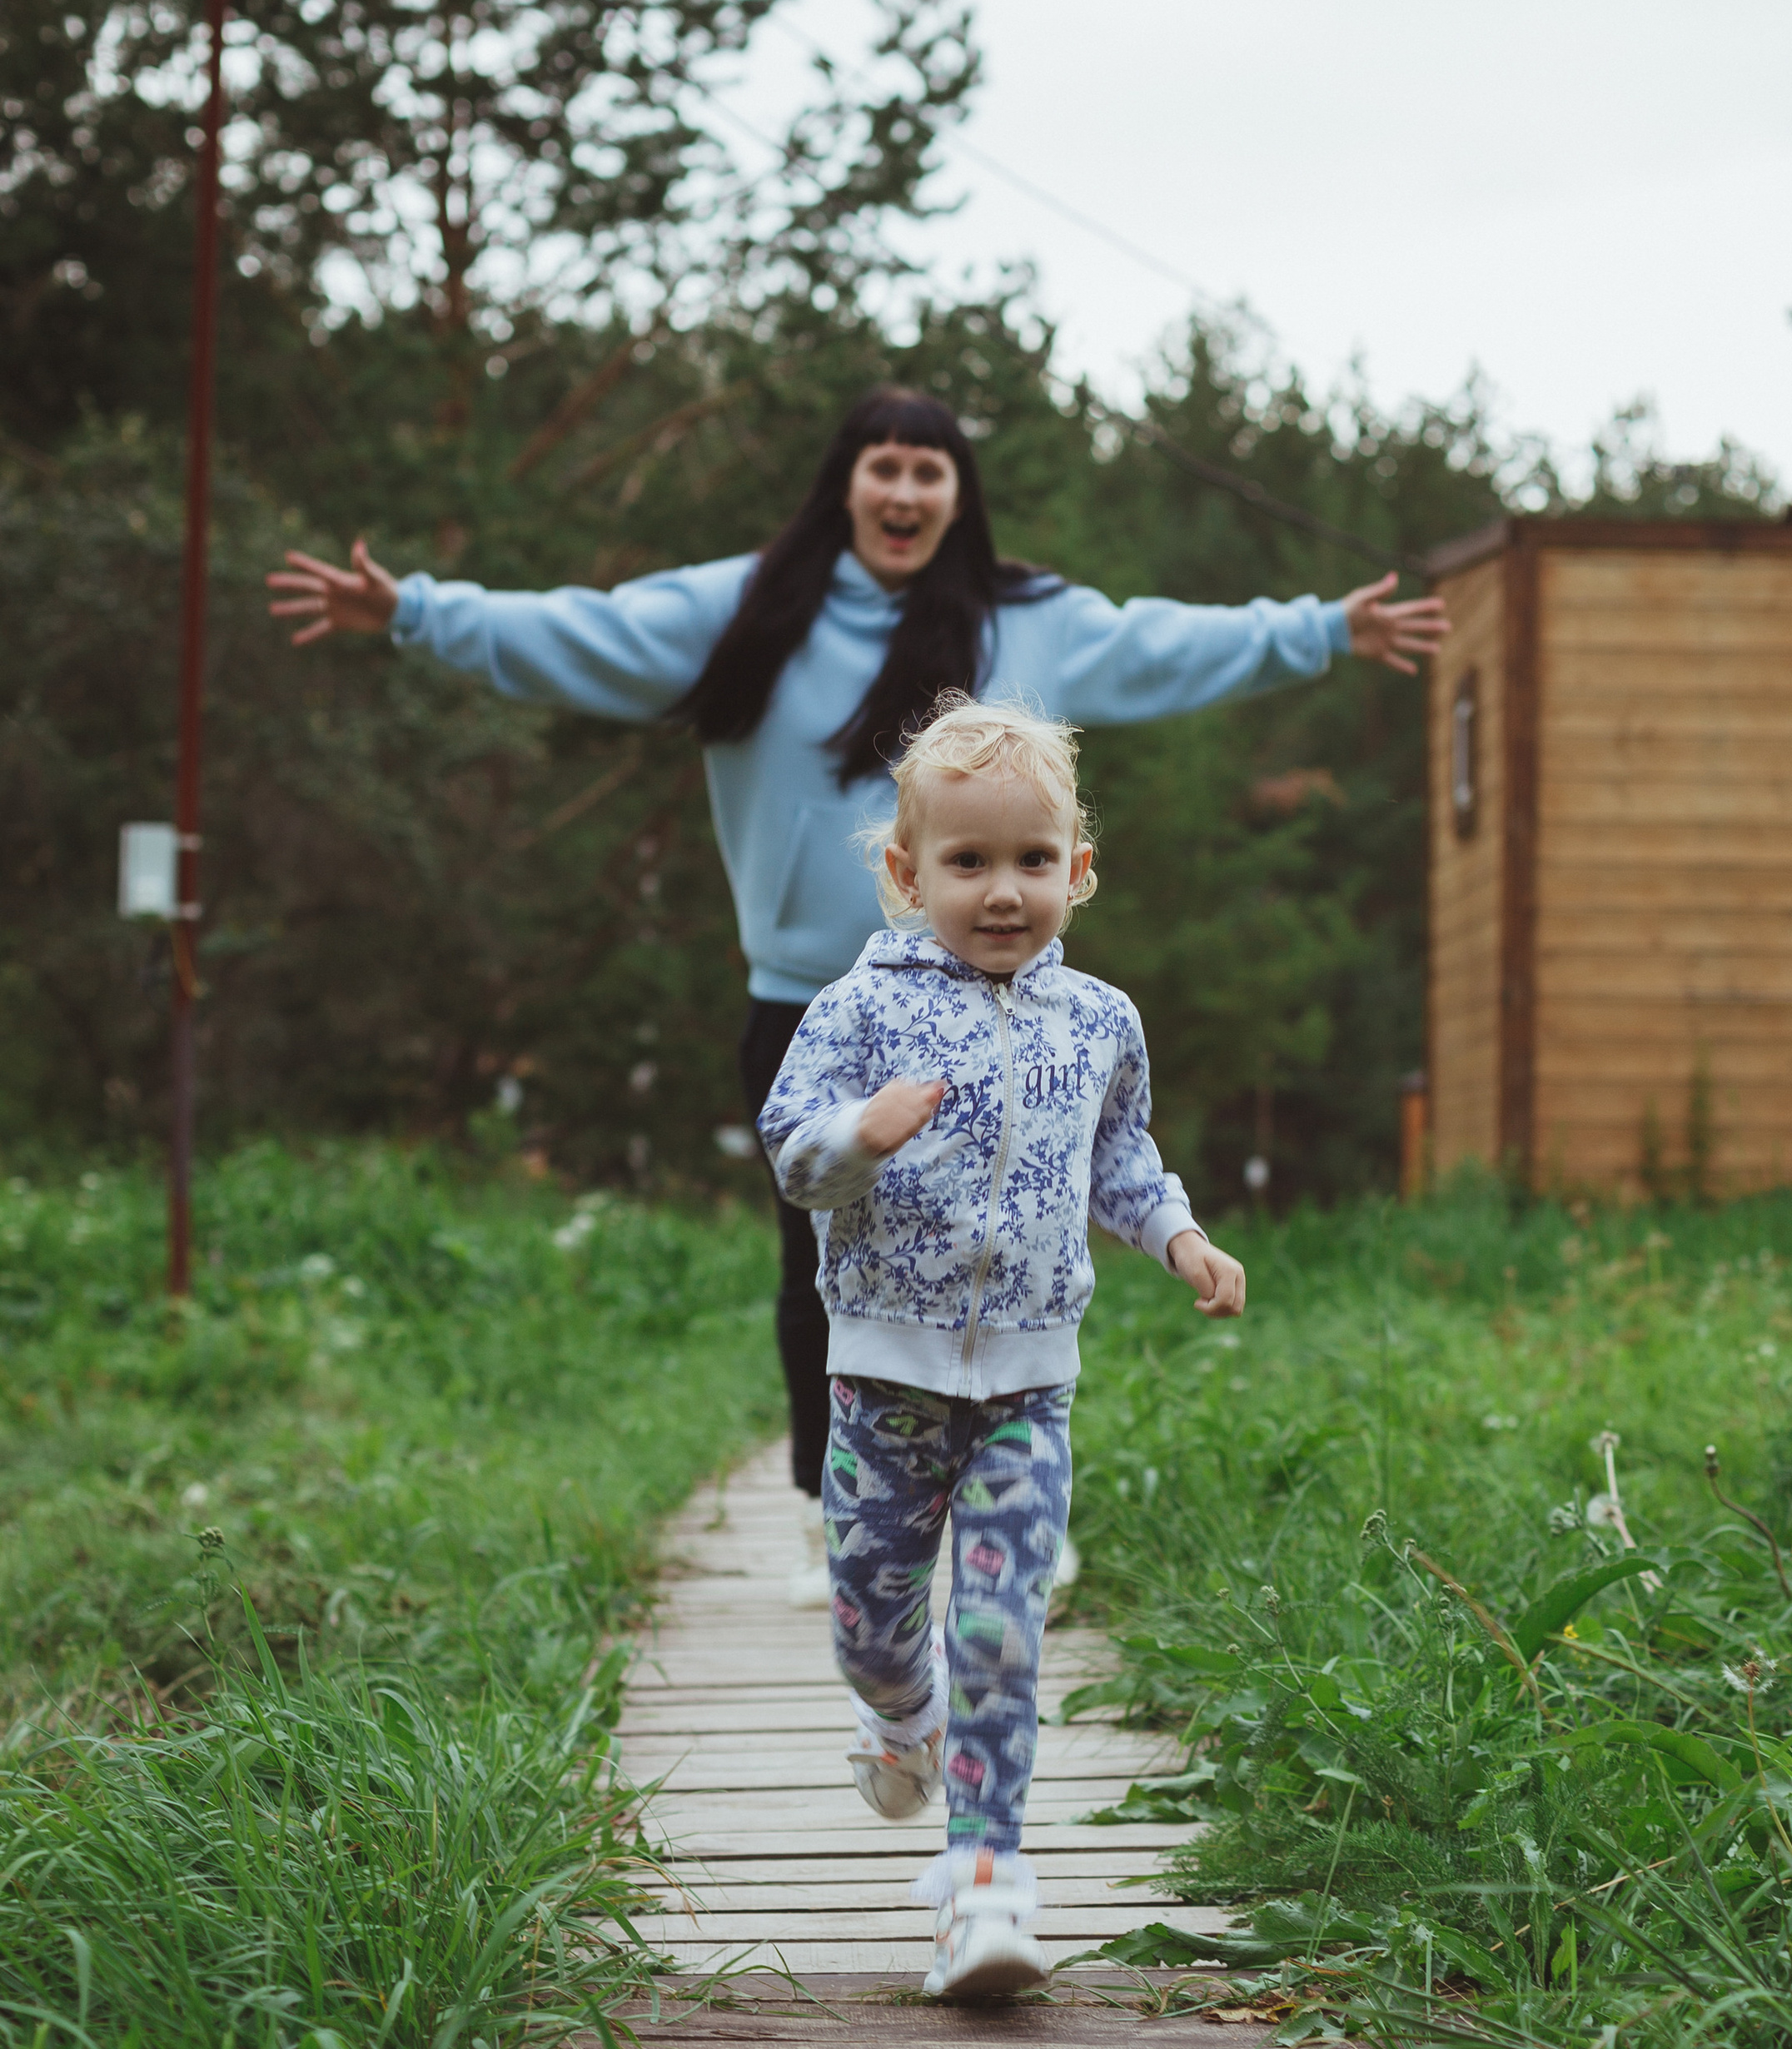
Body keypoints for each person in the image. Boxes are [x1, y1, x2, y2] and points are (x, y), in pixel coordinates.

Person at [266, 387, 1446, 1598]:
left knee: (1015, 1227)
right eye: (885, 467)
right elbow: (577, 632)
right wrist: (412, 610)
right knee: (819, 1258)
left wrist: (1319, 631)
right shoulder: (744, 613)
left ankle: (1008, 1489)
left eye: (931, 473)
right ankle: (834, 1506)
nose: (905, 493)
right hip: (808, 1001)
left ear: (957, 497)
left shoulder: (1019, 622)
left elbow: (1165, 643)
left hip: (992, 1001)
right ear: (847, 483)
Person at [756, 693, 1239, 2001]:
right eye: (968, 863)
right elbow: (790, 1154)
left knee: (1005, 1631)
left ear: (1078, 870)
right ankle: (897, 1717)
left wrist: (1180, 1237)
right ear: (910, 875)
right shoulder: (860, 1010)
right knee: (872, 1621)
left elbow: (1121, 1156)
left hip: (1030, 1379)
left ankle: (985, 1885)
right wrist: (861, 1135)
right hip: (884, 1377)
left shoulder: (1101, 1023)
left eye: (1033, 861)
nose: (1004, 891)